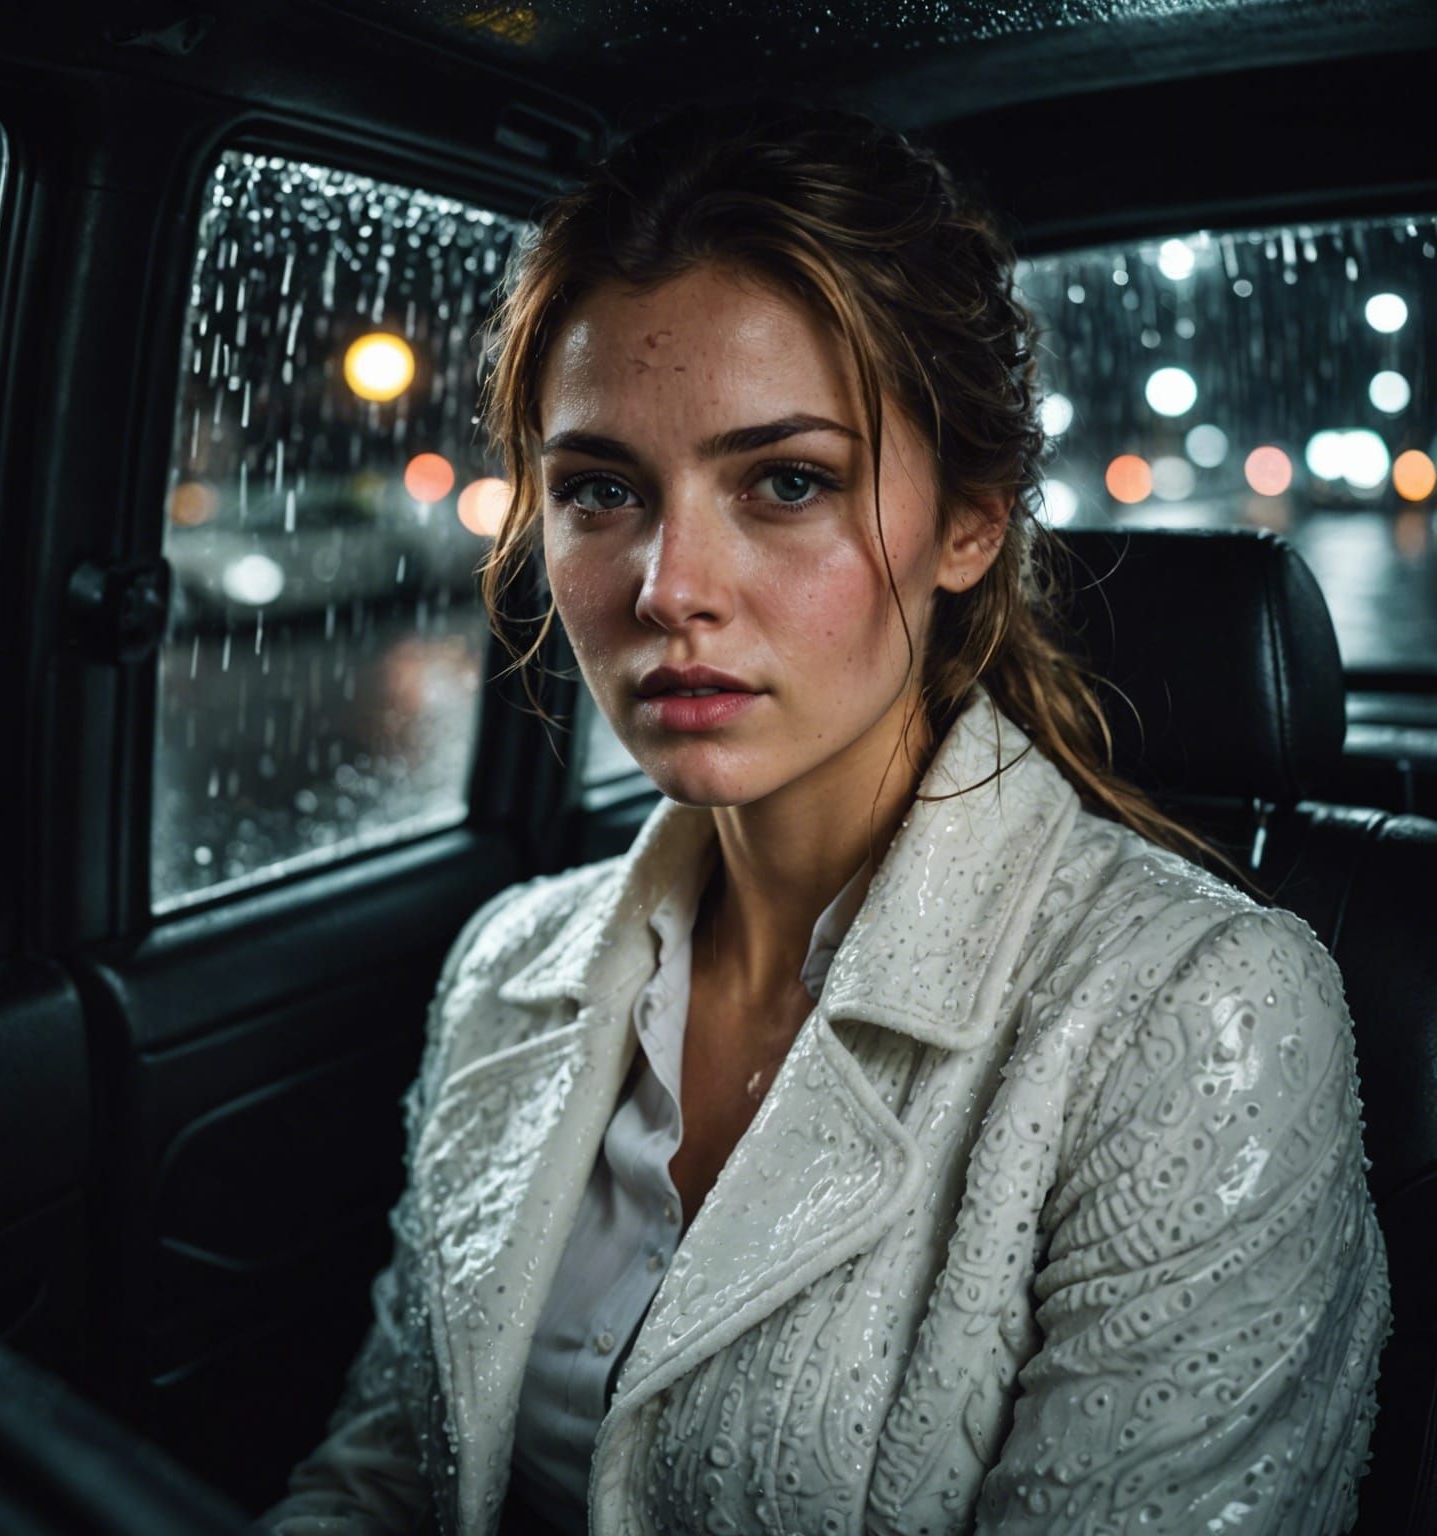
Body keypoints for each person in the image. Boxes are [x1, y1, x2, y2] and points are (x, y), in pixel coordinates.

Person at [258, 98, 1390, 1536]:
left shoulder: (1192, 1017)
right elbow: (390, 1475)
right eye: (602, 489)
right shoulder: (509, 968)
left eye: (786, 482)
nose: (669, 585)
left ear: (970, 520)